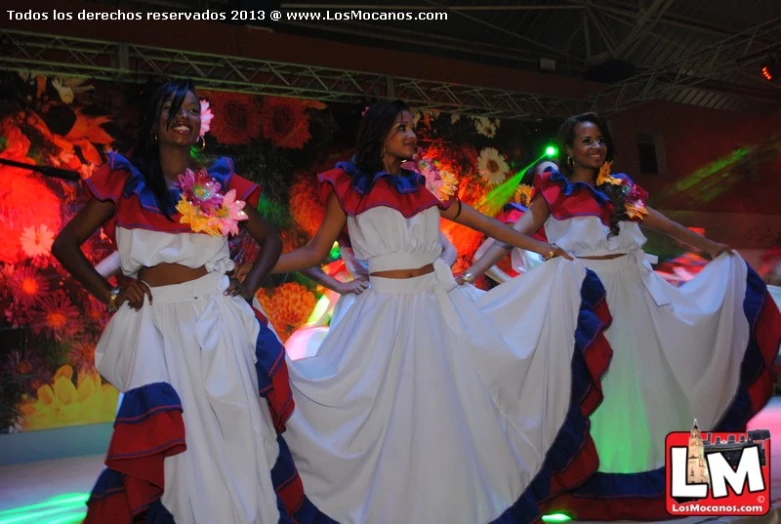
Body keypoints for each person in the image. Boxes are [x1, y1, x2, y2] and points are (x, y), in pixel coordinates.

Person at [266, 99, 615, 524]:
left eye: (412, 128)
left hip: (436, 310)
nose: (412, 135)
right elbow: (313, 251)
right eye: (401, 128)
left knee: (447, 417)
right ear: (379, 135)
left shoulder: (424, 184)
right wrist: (254, 268)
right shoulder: (348, 186)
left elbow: (487, 226)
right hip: (383, 316)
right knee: (384, 418)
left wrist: (543, 247)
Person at [462, 111, 781, 521]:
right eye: (586, 141)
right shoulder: (554, 190)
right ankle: (593, 484)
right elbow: (516, 231)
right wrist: (472, 270)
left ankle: (692, 480)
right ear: (570, 149)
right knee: (601, 389)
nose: (595, 147)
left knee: (652, 383)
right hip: (590, 300)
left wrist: (709, 247)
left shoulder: (620, 190)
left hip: (634, 294)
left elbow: (662, 223)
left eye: (600, 140)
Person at [52, 79, 332, 524]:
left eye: (190, 109)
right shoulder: (125, 183)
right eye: (171, 109)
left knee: (235, 430)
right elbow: (65, 245)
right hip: (157, 325)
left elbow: (270, 239)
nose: (183, 115)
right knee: (175, 444)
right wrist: (109, 292)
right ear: (153, 122)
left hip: (215, 319)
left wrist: (249, 284)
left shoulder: (214, 183)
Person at [284, 227, 458, 360]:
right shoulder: (346, 211)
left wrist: (433, 274)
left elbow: (449, 250)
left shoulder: (408, 201)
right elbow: (304, 260)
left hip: (414, 298)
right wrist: (339, 286)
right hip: (366, 306)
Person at [469, 160, 556, 286]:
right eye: (546, 176)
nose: (551, 182)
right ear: (532, 186)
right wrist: (513, 286)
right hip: (525, 296)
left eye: (555, 178)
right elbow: (479, 257)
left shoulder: (563, 222)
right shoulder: (518, 216)